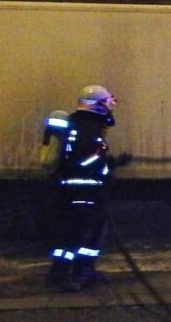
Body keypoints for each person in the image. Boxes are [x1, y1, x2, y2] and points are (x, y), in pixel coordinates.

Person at [43, 85, 127, 292]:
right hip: (82, 192)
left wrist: (111, 162)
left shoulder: (83, 125)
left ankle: (84, 271)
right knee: (76, 234)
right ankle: (61, 275)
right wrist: (110, 163)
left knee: (90, 233)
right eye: (107, 103)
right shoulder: (87, 128)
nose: (110, 108)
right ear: (98, 106)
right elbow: (83, 161)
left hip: (82, 191)